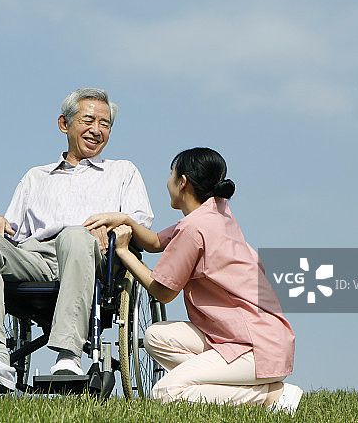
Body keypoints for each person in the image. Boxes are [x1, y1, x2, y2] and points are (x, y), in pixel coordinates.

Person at [0, 88, 154, 391]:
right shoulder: (36, 177)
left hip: (92, 258)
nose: (97, 130)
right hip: (35, 257)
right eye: (88, 120)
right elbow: (13, 232)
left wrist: (116, 223)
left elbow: (140, 224)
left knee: (74, 235)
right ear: (64, 124)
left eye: (105, 124)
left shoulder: (122, 171)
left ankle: (69, 356)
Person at [84, 147, 302, 414]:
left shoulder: (194, 228)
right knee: (156, 337)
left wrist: (123, 252)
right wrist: (126, 219)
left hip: (254, 348)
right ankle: (229, 386)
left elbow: (163, 292)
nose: (167, 181)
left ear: (183, 182)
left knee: (165, 392)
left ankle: (270, 395)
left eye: (171, 174)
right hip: (252, 337)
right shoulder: (216, 211)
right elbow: (155, 242)